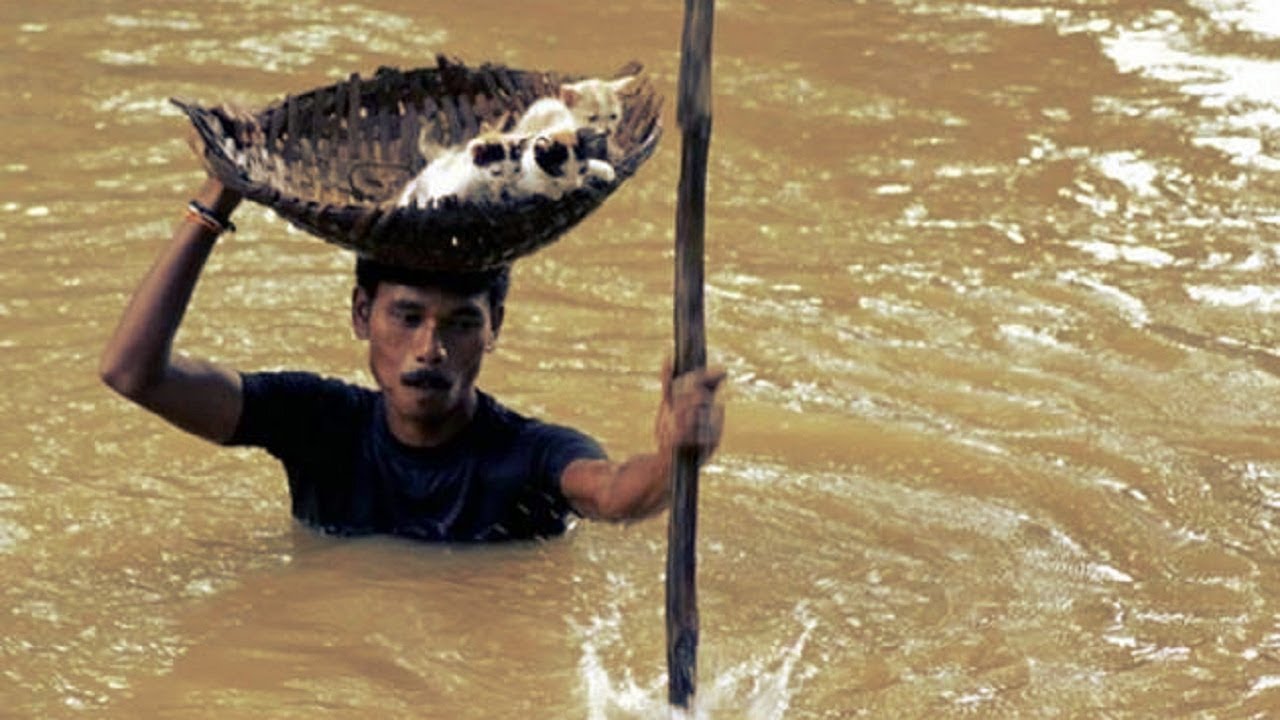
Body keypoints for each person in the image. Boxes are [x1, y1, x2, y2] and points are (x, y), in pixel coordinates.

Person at [99, 177, 726, 542]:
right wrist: (214, 203)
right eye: (407, 317)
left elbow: (614, 494)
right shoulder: (316, 423)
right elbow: (132, 373)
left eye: (461, 323)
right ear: (361, 314)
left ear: (495, 327)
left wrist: (675, 458)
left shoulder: (530, 454)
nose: (431, 348)